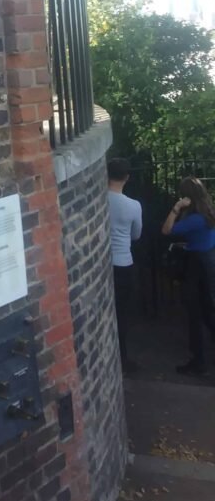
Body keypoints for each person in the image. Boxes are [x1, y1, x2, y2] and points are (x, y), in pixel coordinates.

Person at [162, 177, 215, 376]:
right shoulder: (209, 212)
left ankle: (198, 361)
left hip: (196, 265)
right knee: (209, 309)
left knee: (195, 313)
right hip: (209, 261)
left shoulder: (194, 219)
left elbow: (166, 230)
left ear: (188, 197)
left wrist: (176, 208)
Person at [107, 157, 143, 373]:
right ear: (127, 177)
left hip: (105, 264)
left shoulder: (100, 200)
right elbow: (136, 235)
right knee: (122, 313)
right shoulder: (133, 205)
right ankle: (124, 358)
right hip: (124, 262)